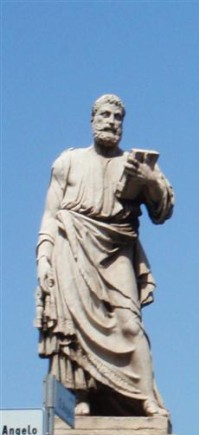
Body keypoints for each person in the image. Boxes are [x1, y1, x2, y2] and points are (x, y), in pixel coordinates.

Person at [36, 94, 174, 417]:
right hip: (72, 247)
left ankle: (144, 397)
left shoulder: (135, 164)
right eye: (105, 115)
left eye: (118, 117)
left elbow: (163, 210)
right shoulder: (67, 162)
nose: (112, 122)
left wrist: (149, 180)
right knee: (74, 326)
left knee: (130, 323)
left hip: (117, 251)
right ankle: (81, 396)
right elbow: (50, 213)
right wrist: (43, 256)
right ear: (92, 120)